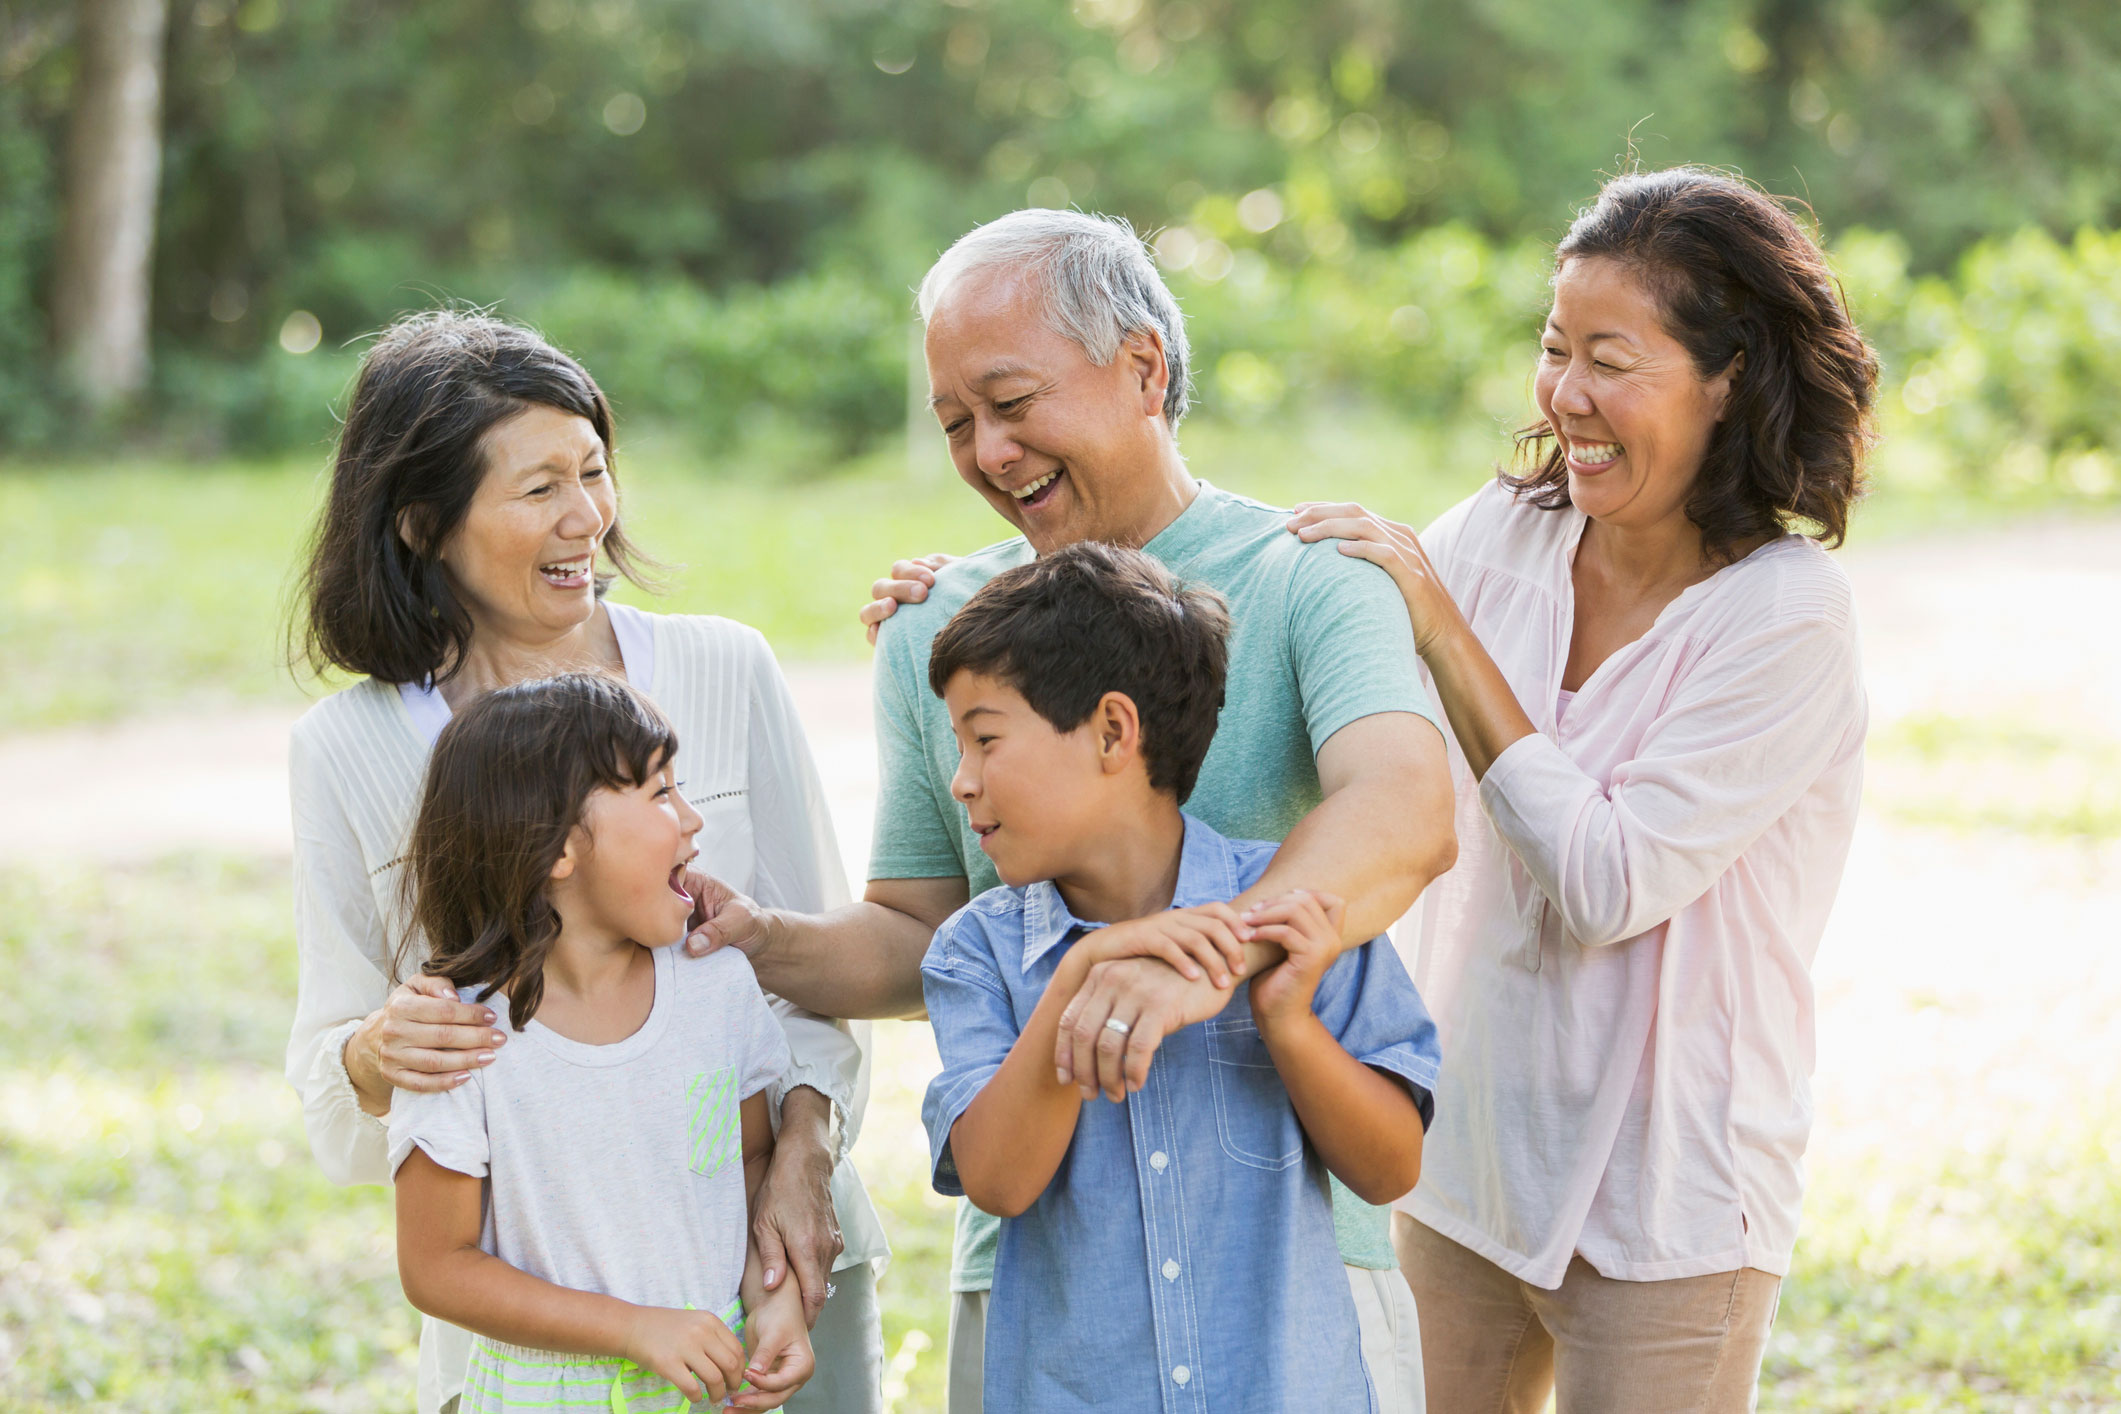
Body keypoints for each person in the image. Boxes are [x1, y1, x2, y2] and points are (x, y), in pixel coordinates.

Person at [692, 209, 1457, 1411]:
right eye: (956, 423)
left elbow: (1407, 810)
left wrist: (1190, 962)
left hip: (1290, 1264)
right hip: (1052, 1287)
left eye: (1012, 402)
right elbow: (918, 933)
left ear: (1145, 366)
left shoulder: (1313, 573)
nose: (989, 452)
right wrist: (759, 938)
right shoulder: (942, 630)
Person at [1288, 168, 1875, 1411]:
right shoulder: (1495, 539)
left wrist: (1444, 631)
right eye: (1555, 350)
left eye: (1612, 359)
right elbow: (1295, 677)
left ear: (1729, 377)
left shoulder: (1789, 618)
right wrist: (970, 605)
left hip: (1673, 1197)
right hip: (1473, 1163)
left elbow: (1610, 880)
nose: (1566, 397)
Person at [283, 311, 886, 1414]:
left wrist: (804, 1153)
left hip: (775, 1280)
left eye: (594, 471)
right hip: (534, 1349)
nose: (587, 518)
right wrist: (378, 1054)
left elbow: (808, 980)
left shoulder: (722, 668)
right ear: (422, 522)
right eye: (538, 489)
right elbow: (339, 1074)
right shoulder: (349, 749)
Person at [917, 544, 1442, 1412]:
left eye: (984, 739)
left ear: (1113, 733)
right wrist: (1077, 975)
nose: (961, 781)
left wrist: (1287, 1020)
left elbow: (1390, 1170)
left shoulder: (1296, 920)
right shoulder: (978, 954)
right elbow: (999, 1183)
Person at [391, 674, 813, 1412]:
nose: (691, 820)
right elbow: (435, 1266)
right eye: (658, 794)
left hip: (712, 1388)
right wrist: (632, 1330)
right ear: (555, 845)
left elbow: (748, 1163)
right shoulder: (459, 1037)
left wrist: (773, 1303)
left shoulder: (716, 987)